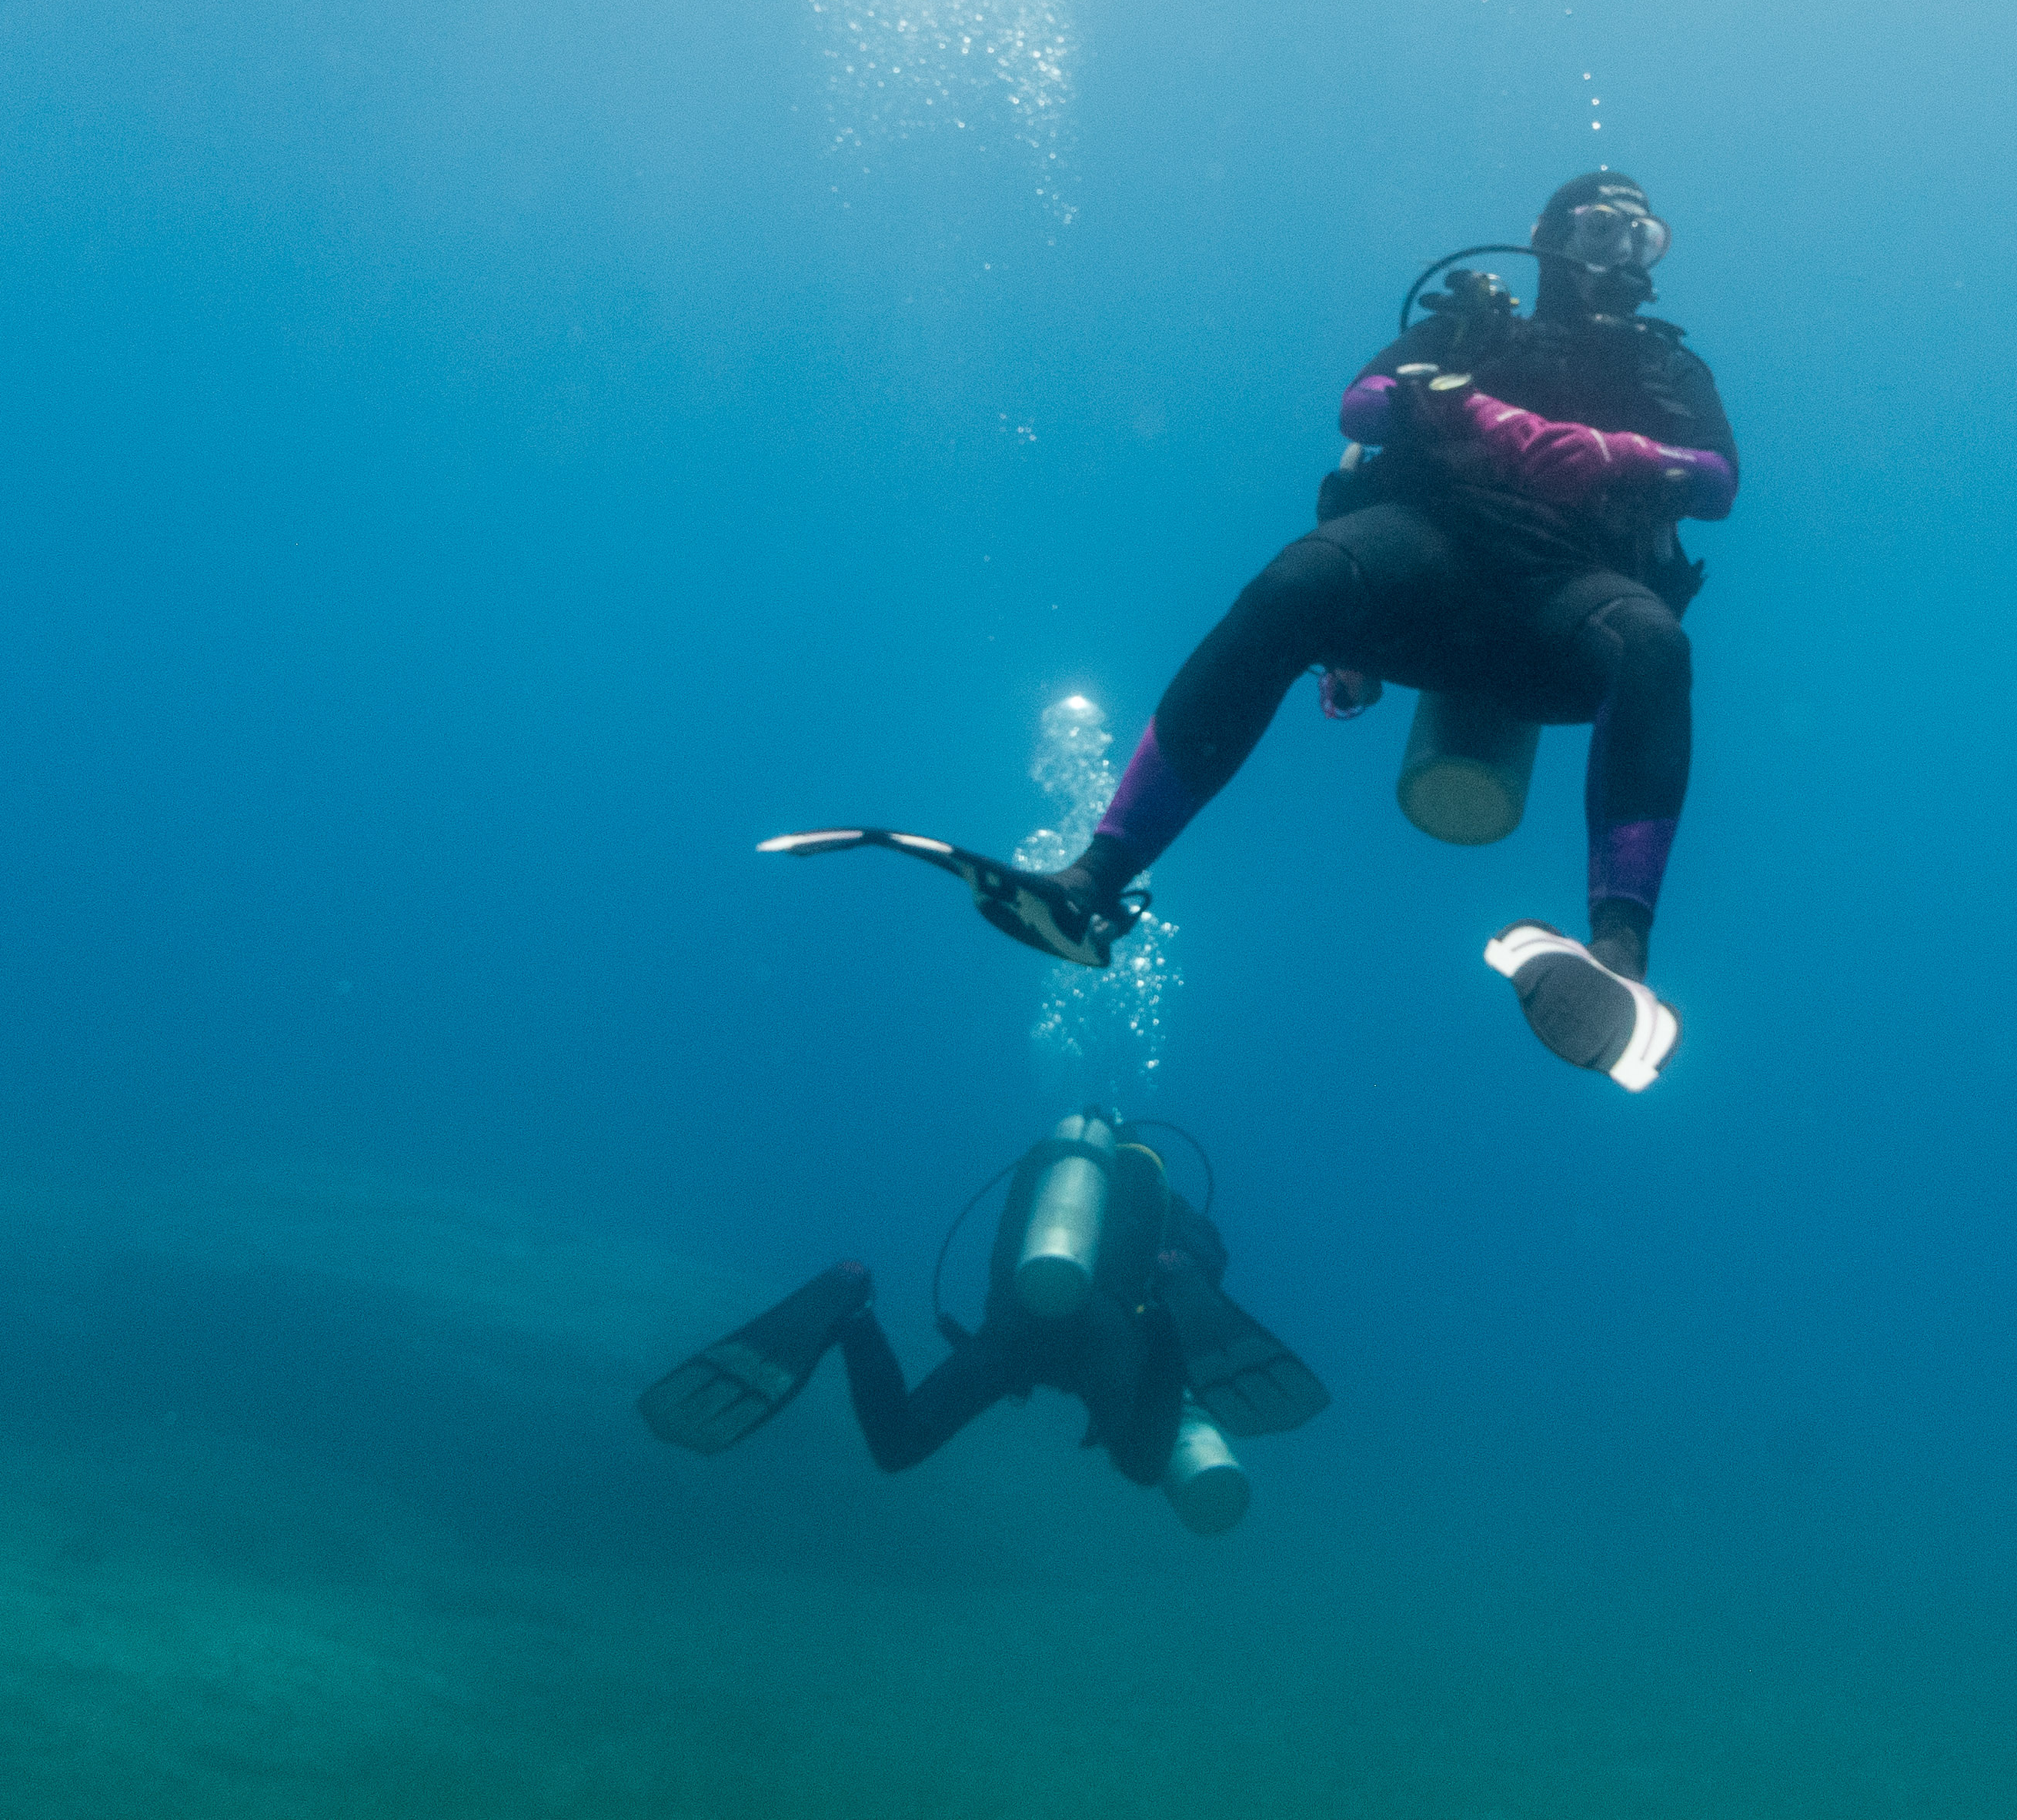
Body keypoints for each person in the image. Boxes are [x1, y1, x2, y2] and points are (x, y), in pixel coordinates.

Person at [996, 168, 1738, 1088]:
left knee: (1656, 644)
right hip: (1427, 559)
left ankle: (1618, 957)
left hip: (1568, 606)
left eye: (1641, 238)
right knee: (1295, 583)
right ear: (1547, 234)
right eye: (1599, 229)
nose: (1621, 254)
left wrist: (1614, 453)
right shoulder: (1475, 323)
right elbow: (1361, 402)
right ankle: (1093, 881)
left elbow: (1718, 480)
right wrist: (1470, 411)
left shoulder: (1666, 367)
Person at [636, 1111, 1324, 1534]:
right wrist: (1174, 1306)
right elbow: (1211, 1263)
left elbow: (1002, 1259)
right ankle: (1167, 1327)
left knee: (899, 1443)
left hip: (1021, 1326)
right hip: (1108, 1333)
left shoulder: (1042, 1176)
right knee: (1145, 1466)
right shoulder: (1160, 1199)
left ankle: (853, 1311)